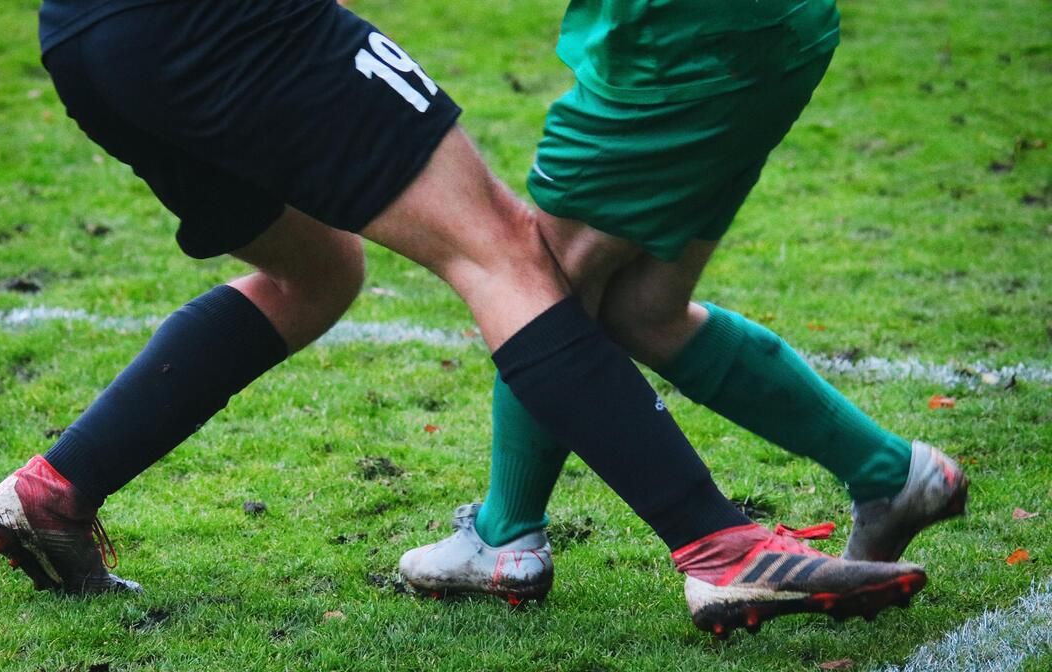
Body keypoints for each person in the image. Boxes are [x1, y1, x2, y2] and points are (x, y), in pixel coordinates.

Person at [0, 0, 923, 637]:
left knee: (317, 272)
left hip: (90, 39)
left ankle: (56, 490)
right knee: (505, 248)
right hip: (229, 22)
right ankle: (720, 547)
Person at [399, 0, 966, 635]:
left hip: (679, 45)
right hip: (776, 32)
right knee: (645, 309)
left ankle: (504, 538)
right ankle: (891, 473)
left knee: (541, 283)